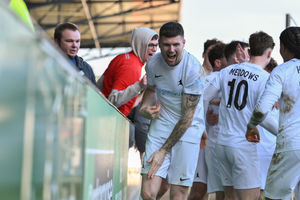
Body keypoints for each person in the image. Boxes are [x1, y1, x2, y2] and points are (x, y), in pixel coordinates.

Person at [204, 31, 277, 200]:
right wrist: (283, 133)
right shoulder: (265, 78)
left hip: (222, 145)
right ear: (269, 53)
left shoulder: (228, 71)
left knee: (230, 197)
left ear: (249, 51)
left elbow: (205, 96)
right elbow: (262, 116)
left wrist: (202, 127)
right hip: (243, 147)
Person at [140, 22, 206, 200]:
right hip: (161, 125)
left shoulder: (193, 69)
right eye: (167, 45)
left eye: (176, 45)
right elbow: (151, 90)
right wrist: (145, 108)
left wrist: (163, 150)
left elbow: (187, 117)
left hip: (188, 129)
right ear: (159, 44)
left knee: (177, 195)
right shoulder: (153, 63)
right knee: (147, 193)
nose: (171, 50)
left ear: (184, 43)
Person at [246, 26, 300, 200]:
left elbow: (262, 109)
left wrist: (251, 125)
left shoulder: (282, 71)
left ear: (282, 47)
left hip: (291, 144)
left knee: (273, 197)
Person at [98, 27, 158, 117]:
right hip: (108, 118)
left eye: (156, 45)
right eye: (150, 45)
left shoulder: (123, 58)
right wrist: (139, 86)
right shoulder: (131, 66)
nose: (154, 49)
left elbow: (98, 86)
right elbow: (112, 101)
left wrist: (144, 91)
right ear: (140, 44)